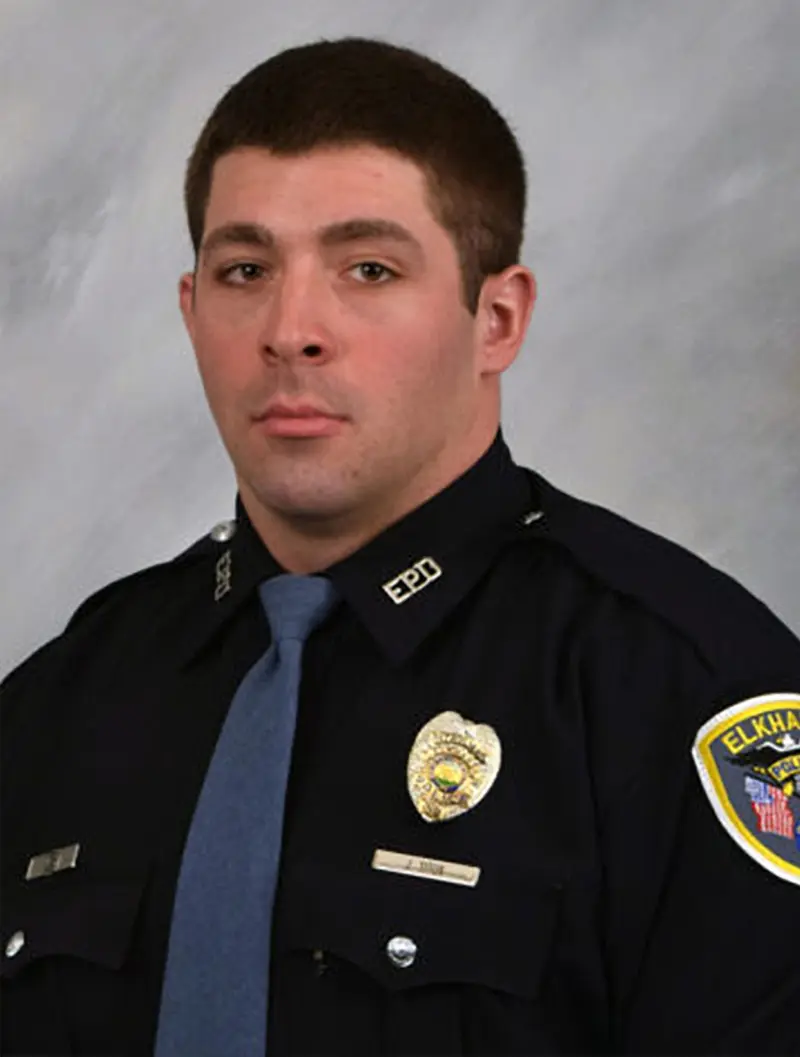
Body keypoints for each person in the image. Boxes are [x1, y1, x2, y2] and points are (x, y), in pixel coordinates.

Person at [1, 34, 798, 1057]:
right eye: (245, 269)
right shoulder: (61, 703)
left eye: (367, 268)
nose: (290, 328)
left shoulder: (677, 689)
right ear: (192, 311)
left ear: (496, 318)